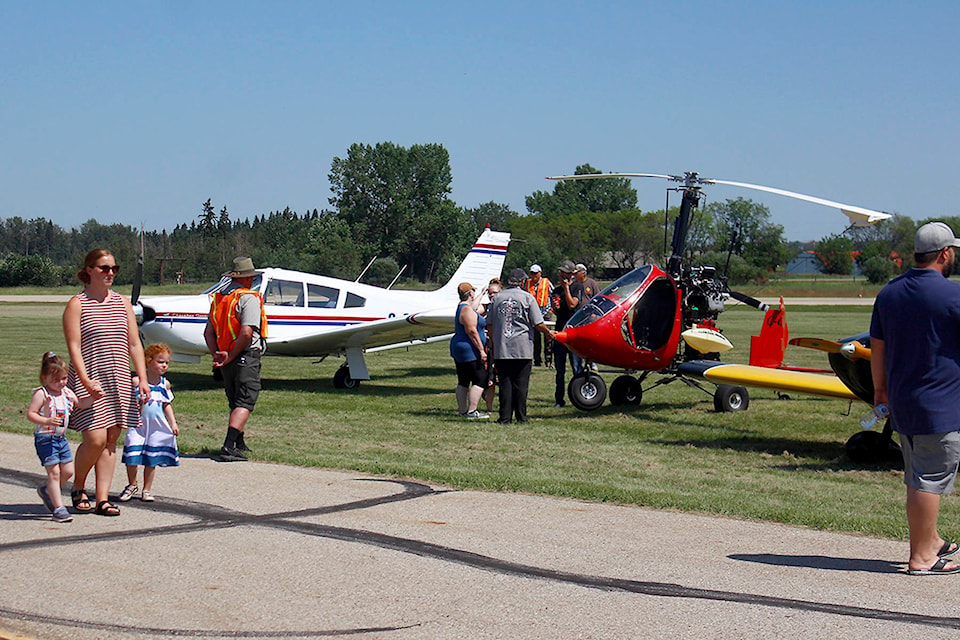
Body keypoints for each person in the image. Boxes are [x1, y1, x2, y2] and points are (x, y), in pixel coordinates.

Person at [870, 221, 960, 575]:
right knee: (929, 479)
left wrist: (880, 391)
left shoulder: (890, 293)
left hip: (903, 404)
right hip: (940, 406)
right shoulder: (952, 296)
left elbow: (877, 348)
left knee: (917, 475)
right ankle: (922, 557)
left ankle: (932, 540)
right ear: (945, 254)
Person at [64, 249, 149, 517]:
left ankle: (102, 498)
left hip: (119, 377)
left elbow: (134, 343)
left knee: (112, 438)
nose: (110, 273)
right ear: (89, 270)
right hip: (89, 377)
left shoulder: (122, 303)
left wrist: (143, 378)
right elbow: (74, 347)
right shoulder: (77, 304)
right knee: (95, 437)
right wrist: (85, 379)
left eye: (114, 268)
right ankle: (78, 486)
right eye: (104, 268)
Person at [204, 257, 269, 462]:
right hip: (244, 354)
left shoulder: (218, 299)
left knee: (235, 399)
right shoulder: (248, 298)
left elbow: (208, 333)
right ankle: (229, 445)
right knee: (246, 399)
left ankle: (239, 442)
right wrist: (232, 354)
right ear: (248, 279)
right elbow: (247, 332)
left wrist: (218, 354)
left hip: (226, 356)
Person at [27, 352, 98, 522]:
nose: (60, 383)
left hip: (60, 439)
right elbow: (31, 414)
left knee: (68, 471)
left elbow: (80, 404)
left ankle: (47, 491)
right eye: (56, 380)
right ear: (44, 378)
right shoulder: (42, 394)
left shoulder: (67, 393)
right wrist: (46, 420)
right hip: (45, 439)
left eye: (64, 379)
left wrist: (94, 397)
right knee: (55, 473)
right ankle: (58, 509)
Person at [489, 268, 555, 424]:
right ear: (523, 282)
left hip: (502, 347)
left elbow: (490, 324)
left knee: (505, 383)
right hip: (522, 348)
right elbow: (538, 322)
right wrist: (548, 333)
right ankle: (521, 417)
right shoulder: (528, 298)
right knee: (521, 384)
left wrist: (494, 341)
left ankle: (504, 417)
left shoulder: (497, 298)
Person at [118, 343, 180, 503]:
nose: (164, 365)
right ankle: (132, 484)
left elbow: (167, 404)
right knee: (132, 455)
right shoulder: (136, 382)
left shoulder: (164, 384)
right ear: (148, 361)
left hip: (155, 427)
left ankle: (147, 489)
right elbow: (127, 403)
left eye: (166, 362)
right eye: (160, 361)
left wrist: (173, 423)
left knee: (151, 459)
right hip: (138, 425)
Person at [450, 281, 489, 419]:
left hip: (459, 347)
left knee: (463, 380)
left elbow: (474, 306)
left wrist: (483, 293)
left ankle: (462, 411)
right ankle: (472, 411)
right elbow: (472, 331)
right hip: (468, 349)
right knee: (480, 379)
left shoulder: (463, 307)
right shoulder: (467, 311)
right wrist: (481, 350)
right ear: (470, 293)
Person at [551, 260, 585, 407]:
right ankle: (559, 400)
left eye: (565, 272)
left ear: (571, 274)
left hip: (573, 332)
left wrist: (566, 289)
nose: (562, 275)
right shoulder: (556, 290)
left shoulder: (577, 286)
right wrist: (554, 307)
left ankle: (580, 396)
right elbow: (557, 310)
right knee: (560, 370)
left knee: (577, 367)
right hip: (560, 331)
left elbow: (572, 304)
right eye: (561, 272)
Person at [524, 264, 553, 367]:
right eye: (532, 273)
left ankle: (548, 361)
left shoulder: (546, 283)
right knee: (535, 338)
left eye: (535, 273)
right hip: (533, 313)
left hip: (546, 312)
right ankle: (537, 361)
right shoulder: (527, 284)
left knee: (548, 336)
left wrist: (551, 309)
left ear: (540, 273)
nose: (533, 275)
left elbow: (553, 295)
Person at [482, 278, 502, 415]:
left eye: (494, 292)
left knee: (500, 378)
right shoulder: (485, 307)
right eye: (489, 293)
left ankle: (504, 406)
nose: (491, 295)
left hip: (500, 346)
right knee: (489, 379)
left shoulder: (502, 307)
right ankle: (489, 407)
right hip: (487, 346)